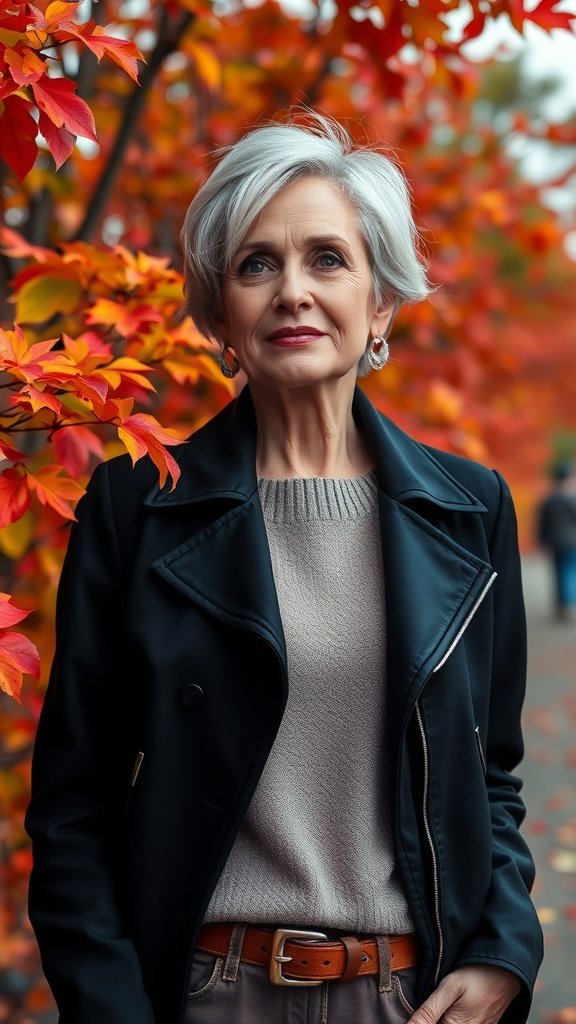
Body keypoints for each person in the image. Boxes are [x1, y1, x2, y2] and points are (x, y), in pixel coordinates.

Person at [25, 111, 543, 1024]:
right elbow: (74, 806)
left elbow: (488, 778)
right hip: (206, 995)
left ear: (380, 302)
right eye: (257, 265)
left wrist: (503, 949)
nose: (292, 291)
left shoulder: (470, 509)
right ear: (222, 313)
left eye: (328, 259)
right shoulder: (136, 508)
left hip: (409, 996)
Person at [536, 459, 576, 622]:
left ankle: (562, 604)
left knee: (559, 572)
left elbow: (542, 522)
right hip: (572, 541)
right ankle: (568, 604)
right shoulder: (572, 497)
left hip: (555, 541)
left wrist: (541, 540)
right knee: (569, 571)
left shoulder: (550, 498)